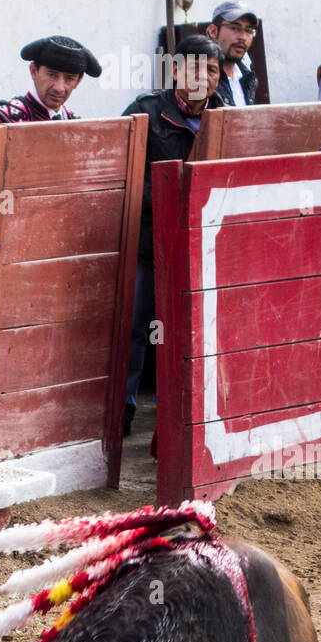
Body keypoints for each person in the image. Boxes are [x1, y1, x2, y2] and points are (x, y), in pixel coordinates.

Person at [120, 35, 223, 435]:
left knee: (197, 336)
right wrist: (174, 198)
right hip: (150, 243)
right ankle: (124, 416)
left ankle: (189, 426)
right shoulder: (145, 112)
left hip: (204, 248)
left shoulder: (226, 118)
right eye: (194, 67)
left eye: (210, 69)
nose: (202, 76)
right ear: (176, 70)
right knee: (137, 332)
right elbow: (126, 177)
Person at [0, 34, 101, 128]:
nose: (59, 87)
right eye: (52, 75)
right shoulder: (0, 121)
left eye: (69, 78)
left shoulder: (76, 124)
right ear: (33, 71)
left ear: (78, 81)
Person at [208, 1, 261, 107]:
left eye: (249, 30)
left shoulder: (247, 77)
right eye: (235, 28)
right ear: (213, 31)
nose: (243, 37)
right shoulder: (198, 77)